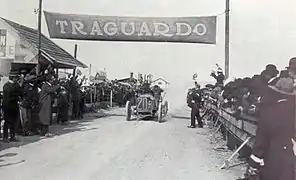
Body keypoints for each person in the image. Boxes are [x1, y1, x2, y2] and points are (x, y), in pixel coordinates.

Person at [2, 73, 22, 142]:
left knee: (13, 122)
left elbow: (20, 92)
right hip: (8, 107)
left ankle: (12, 136)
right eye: (16, 78)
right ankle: (5, 137)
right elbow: (10, 96)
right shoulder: (6, 86)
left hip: (14, 106)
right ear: (13, 78)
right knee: (7, 122)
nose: (17, 79)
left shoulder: (16, 85)